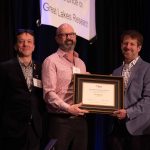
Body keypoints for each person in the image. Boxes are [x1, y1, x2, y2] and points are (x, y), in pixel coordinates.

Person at [42, 23, 89, 150]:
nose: (69, 37)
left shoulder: (81, 63)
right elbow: (48, 94)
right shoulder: (51, 61)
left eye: (72, 34)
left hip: (80, 121)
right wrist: (68, 108)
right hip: (60, 121)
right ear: (57, 39)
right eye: (64, 34)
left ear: (75, 38)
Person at [0, 29, 45, 150]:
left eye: (29, 41)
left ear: (34, 46)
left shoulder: (41, 68)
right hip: (12, 130)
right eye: (21, 42)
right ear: (15, 46)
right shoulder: (5, 67)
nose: (26, 45)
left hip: (35, 130)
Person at [106, 30, 150, 150]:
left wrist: (128, 112)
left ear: (139, 48)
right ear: (121, 46)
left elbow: (148, 99)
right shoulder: (115, 72)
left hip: (139, 129)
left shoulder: (147, 68)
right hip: (116, 128)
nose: (128, 47)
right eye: (125, 43)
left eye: (132, 44)